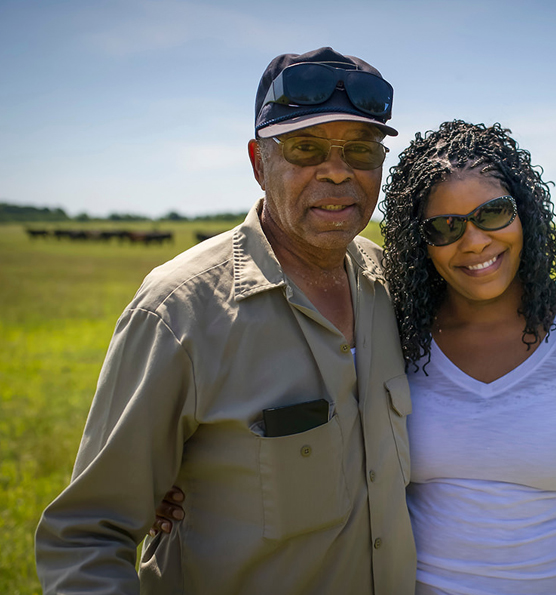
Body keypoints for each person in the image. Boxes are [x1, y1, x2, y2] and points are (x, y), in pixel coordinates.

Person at [35, 47, 416, 595]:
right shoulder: (178, 311)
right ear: (260, 163)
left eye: (360, 150)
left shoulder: (389, 285)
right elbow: (87, 537)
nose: (337, 170)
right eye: (305, 148)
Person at [381, 120, 556, 595]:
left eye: (493, 213)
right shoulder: (392, 340)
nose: (474, 242)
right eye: (445, 227)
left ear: (526, 213)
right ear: (421, 244)